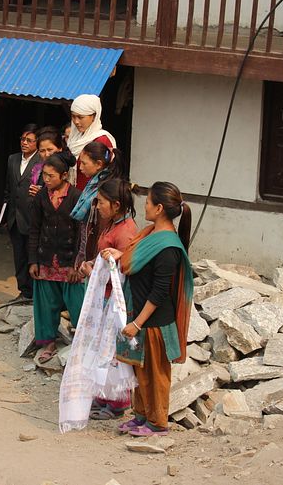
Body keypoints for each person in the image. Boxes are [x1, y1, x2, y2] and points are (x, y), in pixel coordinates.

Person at [106, 182, 194, 437]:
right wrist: (119, 254)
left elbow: (159, 292)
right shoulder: (149, 234)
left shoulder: (168, 247)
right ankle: (141, 416)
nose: (143, 206)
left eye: (147, 202)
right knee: (140, 373)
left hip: (155, 321)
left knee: (156, 375)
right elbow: (137, 262)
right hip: (142, 318)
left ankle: (158, 423)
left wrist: (137, 324)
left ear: (158, 208)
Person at [78, 179, 139, 420]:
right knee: (101, 348)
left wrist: (93, 273)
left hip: (114, 299)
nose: (98, 206)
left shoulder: (126, 232)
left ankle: (117, 401)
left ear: (115, 205)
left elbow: (122, 271)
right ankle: (103, 395)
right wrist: (93, 264)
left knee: (113, 351)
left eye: (101, 202)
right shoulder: (112, 224)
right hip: (102, 296)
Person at [28, 156, 83, 364]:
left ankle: (81, 346)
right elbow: (35, 230)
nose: (47, 179)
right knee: (45, 304)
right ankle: (48, 343)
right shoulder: (41, 197)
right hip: (46, 258)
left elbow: (81, 233)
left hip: (69, 262)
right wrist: (33, 260)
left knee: (77, 303)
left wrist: (76, 264)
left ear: (64, 175)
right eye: (44, 175)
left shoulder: (77, 197)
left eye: (51, 176)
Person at [72, 141, 125, 275]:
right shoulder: (94, 183)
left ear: (99, 164)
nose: (80, 167)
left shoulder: (104, 189)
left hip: (99, 249)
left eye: (84, 163)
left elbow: (102, 226)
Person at [3, 124, 40, 300]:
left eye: (29, 140)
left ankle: (33, 292)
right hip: (14, 216)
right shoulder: (13, 159)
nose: (24, 143)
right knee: (18, 255)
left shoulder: (41, 161)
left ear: (37, 143)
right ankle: (23, 291)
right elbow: (8, 189)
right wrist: (4, 214)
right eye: (22, 139)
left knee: (31, 255)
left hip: (32, 217)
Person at [67, 94, 116, 190]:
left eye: (80, 117)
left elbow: (107, 175)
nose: (76, 121)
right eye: (73, 116)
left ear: (94, 117)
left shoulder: (102, 140)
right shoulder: (73, 139)